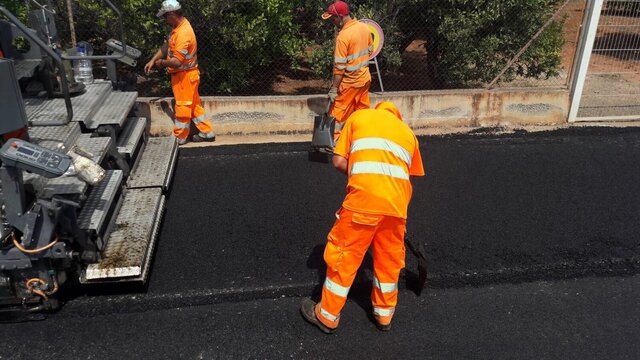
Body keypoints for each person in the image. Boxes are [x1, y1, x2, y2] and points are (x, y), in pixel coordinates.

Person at [300, 101, 425, 334]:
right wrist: (398, 217)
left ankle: (326, 315)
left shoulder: (359, 118)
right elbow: (407, 180)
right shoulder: (409, 134)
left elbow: (338, 160)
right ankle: (384, 315)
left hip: (363, 204)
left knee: (344, 256)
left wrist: (361, 173)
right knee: (389, 262)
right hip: (397, 208)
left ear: (377, 109)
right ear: (397, 116)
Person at [144, 0, 216, 145]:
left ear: (172, 14)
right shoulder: (179, 26)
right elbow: (167, 45)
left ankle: (180, 137)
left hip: (185, 77)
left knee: (183, 107)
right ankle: (207, 132)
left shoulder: (183, 34)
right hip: (187, 76)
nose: (164, 20)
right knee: (194, 106)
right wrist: (153, 60)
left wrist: (161, 63)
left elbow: (177, 62)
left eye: (165, 16)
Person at [321, 1, 373, 140]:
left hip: (350, 83)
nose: (332, 21)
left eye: (333, 18)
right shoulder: (364, 28)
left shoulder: (343, 37)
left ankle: (332, 142)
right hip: (364, 79)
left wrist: (334, 89)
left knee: (337, 114)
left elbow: (340, 68)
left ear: (341, 16)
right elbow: (370, 50)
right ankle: (362, 139)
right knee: (362, 112)